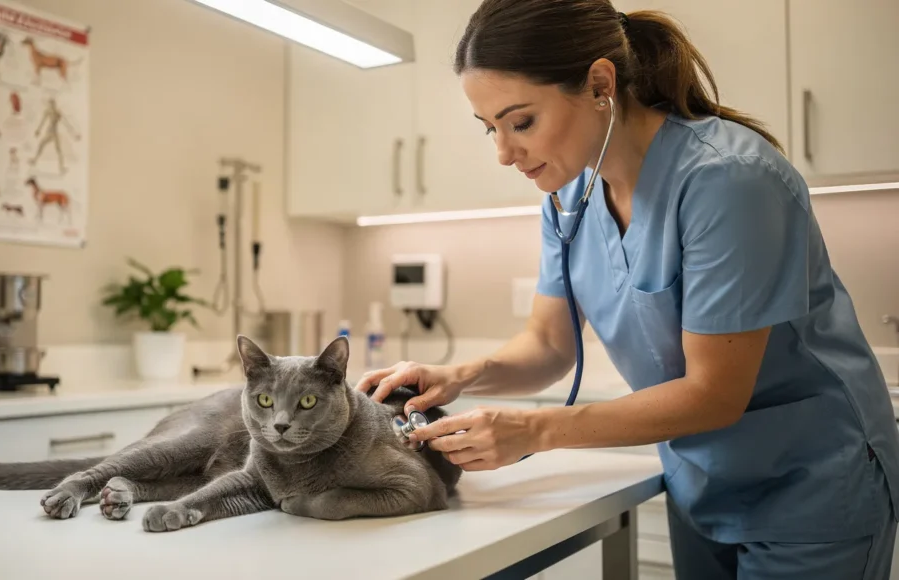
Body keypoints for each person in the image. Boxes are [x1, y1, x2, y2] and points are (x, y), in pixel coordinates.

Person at [354, 1, 899, 578]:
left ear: (599, 84)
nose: (504, 153)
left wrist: (534, 430)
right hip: (702, 484)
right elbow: (547, 345)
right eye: (491, 128)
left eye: (521, 122)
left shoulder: (728, 181)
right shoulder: (567, 198)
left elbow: (715, 393)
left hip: (811, 488)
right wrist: (458, 375)